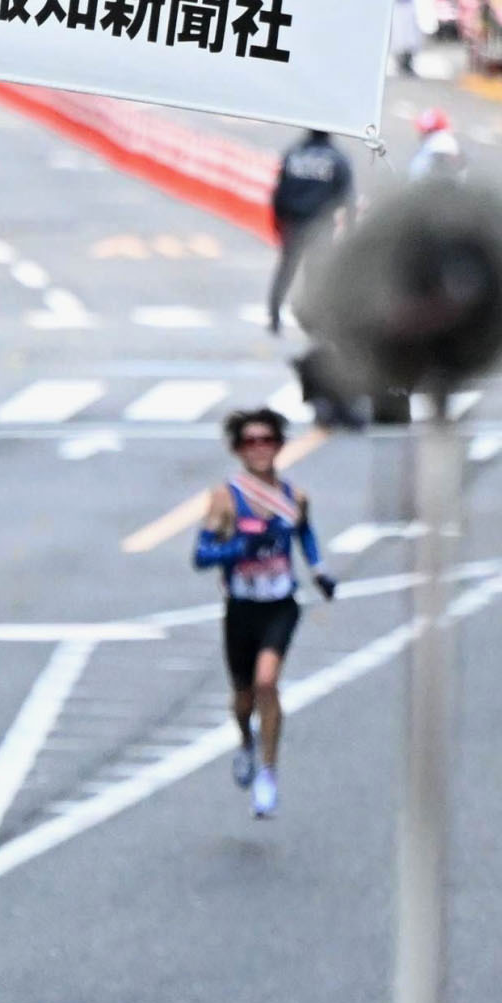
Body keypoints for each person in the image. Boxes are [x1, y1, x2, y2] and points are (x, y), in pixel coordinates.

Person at [192, 408, 335, 821]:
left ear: (279, 445)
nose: (259, 448)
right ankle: (245, 741)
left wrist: (319, 570)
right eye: (250, 441)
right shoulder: (226, 498)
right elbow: (201, 556)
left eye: (267, 440)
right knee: (242, 698)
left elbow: (304, 532)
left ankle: (268, 775)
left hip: (279, 605)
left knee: (267, 682)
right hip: (241, 609)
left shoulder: (294, 497)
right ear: (238, 449)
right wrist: (240, 547)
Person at [268, 128, 356, 334]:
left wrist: (279, 221)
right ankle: (312, 319)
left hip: (294, 222)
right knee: (315, 273)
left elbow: (279, 192)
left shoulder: (294, 154)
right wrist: (351, 231)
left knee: (286, 269)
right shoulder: (338, 159)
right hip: (321, 225)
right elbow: (347, 198)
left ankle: (274, 314)